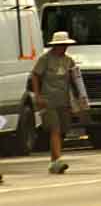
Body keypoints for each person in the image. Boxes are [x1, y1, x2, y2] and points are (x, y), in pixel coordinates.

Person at [31, 31, 77, 174]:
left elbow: (74, 80)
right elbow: (35, 75)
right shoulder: (45, 59)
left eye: (65, 45)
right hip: (48, 100)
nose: (63, 47)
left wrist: (76, 100)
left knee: (62, 130)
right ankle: (57, 160)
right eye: (61, 45)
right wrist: (38, 96)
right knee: (55, 129)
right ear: (55, 45)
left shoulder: (69, 60)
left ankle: (53, 161)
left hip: (64, 100)